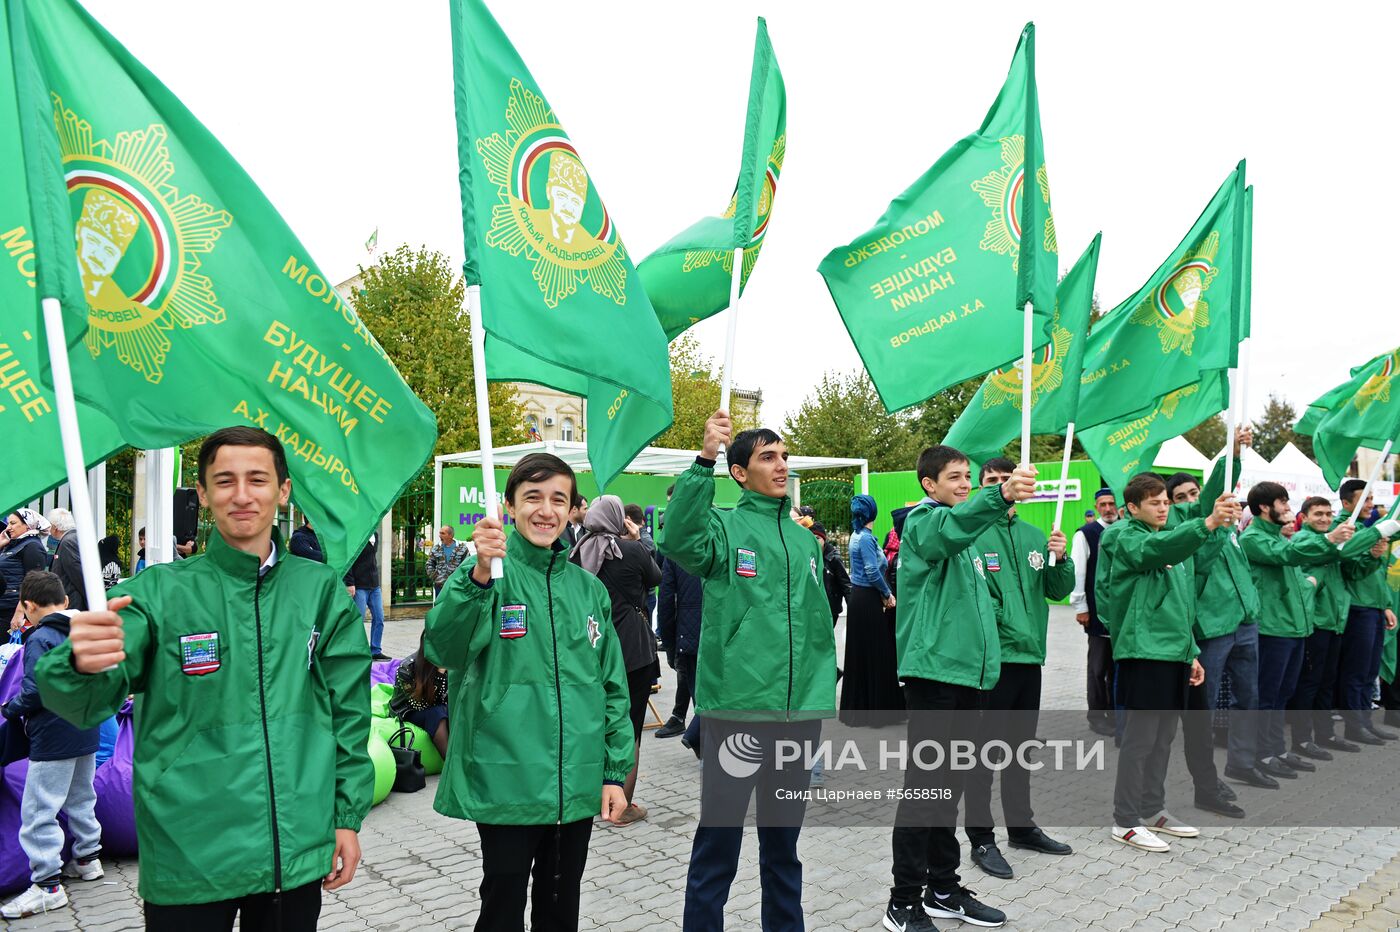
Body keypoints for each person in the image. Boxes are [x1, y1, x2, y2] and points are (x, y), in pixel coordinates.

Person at [36, 426, 372, 930]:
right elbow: (88, 701)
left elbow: (348, 714)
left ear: (283, 491)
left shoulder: (320, 590)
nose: (241, 494)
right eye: (225, 481)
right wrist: (79, 663)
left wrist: (346, 816)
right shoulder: (157, 593)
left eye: (257, 479)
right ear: (203, 494)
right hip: (189, 854)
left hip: (294, 848)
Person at [424, 452, 632, 932]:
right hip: (507, 782)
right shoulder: (486, 577)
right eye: (532, 497)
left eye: (558, 499)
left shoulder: (588, 590)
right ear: (509, 508)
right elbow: (444, 647)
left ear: (572, 509)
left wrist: (614, 771)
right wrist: (476, 575)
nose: (546, 510)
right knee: (502, 908)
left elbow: (612, 688)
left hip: (574, 783)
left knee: (561, 910)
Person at [660, 409, 836, 932]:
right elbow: (677, 538)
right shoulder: (723, 527)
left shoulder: (806, 541)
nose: (781, 465)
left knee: (783, 850)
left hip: (797, 717)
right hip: (736, 711)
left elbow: (815, 623)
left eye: (784, 456)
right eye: (767, 457)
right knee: (719, 846)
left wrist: (822, 686)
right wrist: (702, 461)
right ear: (739, 472)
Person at [883, 445, 1037, 932]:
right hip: (934, 676)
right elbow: (946, 533)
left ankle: (944, 890)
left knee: (946, 790)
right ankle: (902, 901)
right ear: (929, 484)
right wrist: (1000, 495)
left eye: (969, 476)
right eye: (955, 477)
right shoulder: (924, 523)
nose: (966, 484)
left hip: (971, 677)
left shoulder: (966, 534)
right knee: (925, 791)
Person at [1097, 472, 1237, 854]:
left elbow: (1182, 605)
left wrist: (1190, 650)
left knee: (1163, 739)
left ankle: (1153, 809)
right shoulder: (1122, 536)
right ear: (1132, 508)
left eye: (1166, 502)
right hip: (1143, 652)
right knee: (1140, 740)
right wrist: (1207, 522)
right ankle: (1125, 820)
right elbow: (1151, 552)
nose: (1163, 508)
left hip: (1173, 653)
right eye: (1155, 503)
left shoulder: (1172, 544)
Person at [962, 457, 1076, 880]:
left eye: (1005, 480)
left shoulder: (1034, 536)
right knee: (983, 756)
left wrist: (1060, 560)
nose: (999, 486)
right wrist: (1009, 622)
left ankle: (1022, 828)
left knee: (1019, 752)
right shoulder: (971, 533)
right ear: (982, 488)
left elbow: (1057, 591)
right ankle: (981, 838)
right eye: (991, 481)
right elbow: (976, 598)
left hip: (1030, 660)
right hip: (992, 661)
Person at [1240, 481, 1364, 782]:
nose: (1288, 508)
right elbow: (1288, 556)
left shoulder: (1280, 537)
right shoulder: (1254, 538)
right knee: (1267, 697)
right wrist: (1330, 539)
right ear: (1265, 507)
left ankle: (1278, 750)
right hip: (1273, 629)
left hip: (1294, 629)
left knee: (1283, 694)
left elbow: (1291, 558)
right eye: (1283, 502)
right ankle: (1262, 755)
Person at [0, 571, 103, 920]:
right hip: (87, 728)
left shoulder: (40, 638)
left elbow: (35, 690)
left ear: (29, 606)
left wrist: (9, 708)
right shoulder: (87, 629)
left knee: (38, 810)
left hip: (54, 735)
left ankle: (47, 886)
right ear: (66, 601)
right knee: (80, 796)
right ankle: (88, 859)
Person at [1162, 442, 1259, 812]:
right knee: (1201, 716)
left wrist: (1253, 607)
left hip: (1245, 622)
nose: (1190, 499)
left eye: (1193, 493)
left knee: (1248, 700)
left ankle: (1243, 763)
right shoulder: (1192, 528)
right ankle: (1208, 782)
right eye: (1180, 496)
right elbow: (1215, 498)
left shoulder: (1228, 529)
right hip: (1213, 629)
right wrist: (1231, 453)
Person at [573, 495, 661, 825]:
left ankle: (595, 795)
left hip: (590, 648)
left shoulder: (577, 551)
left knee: (597, 722)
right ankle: (622, 805)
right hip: (632, 650)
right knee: (630, 727)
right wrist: (639, 540)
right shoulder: (632, 550)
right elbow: (656, 579)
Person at [1284, 497, 1392, 759]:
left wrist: (1373, 557)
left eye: (1328, 513)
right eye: (1318, 514)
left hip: (1335, 622)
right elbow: (1339, 551)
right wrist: (1377, 531)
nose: (1324, 518)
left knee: (1327, 683)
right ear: (1305, 517)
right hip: (1315, 623)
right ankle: (1301, 739)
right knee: (1309, 683)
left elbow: (1353, 572)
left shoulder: (1330, 541)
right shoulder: (1304, 541)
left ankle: (1326, 734)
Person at [1334, 480, 1399, 744]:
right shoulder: (1346, 530)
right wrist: (1372, 556)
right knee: (1356, 670)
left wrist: (1384, 605)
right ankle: (1354, 725)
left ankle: (1364, 722)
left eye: (1371, 498)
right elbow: (1351, 569)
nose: (1370, 504)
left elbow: (1376, 577)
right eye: (1365, 499)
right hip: (1356, 609)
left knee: (1369, 669)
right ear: (1347, 503)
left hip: (1372, 607)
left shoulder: (1366, 528)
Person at [840, 494, 904, 727]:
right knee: (877, 653)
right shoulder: (865, 539)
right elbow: (872, 571)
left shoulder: (857, 536)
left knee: (861, 654)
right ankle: (878, 712)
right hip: (868, 599)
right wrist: (887, 594)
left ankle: (860, 709)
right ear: (873, 513)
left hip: (859, 599)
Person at [1070, 489, 1119, 736]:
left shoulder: (1125, 530)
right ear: (1096, 506)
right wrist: (1080, 606)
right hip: (1097, 612)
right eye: (1103, 504)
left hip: (1121, 614)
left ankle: (1115, 713)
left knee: (1117, 669)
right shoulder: (1086, 534)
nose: (1109, 508)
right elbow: (1078, 571)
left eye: (1112, 503)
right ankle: (1097, 717)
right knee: (1098, 669)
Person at [656, 489, 704, 740]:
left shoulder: (674, 548)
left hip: (692, 638)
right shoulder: (730, 541)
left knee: (704, 701)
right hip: (724, 638)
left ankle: (701, 743)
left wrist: (672, 646)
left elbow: (665, 603)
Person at [389, 632, 449, 757]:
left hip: (437, 706)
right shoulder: (407, 667)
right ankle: (450, 763)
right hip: (409, 710)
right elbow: (419, 705)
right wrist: (440, 674)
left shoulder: (450, 663)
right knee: (437, 713)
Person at [2, 510, 52, 629]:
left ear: (27, 525)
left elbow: (34, 583)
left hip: (11, 611)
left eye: (13, 523)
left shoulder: (32, 546)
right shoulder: (12, 545)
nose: (8, 527)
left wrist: (20, 612)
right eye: (8, 523)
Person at [344, 535, 388, 661]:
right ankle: (356, 650)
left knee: (379, 618)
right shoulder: (357, 535)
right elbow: (349, 560)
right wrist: (350, 582)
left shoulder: (376, 535)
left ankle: (375, 650)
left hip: (374, 586)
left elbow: (372, 559)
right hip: (359, 586)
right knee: (358, 620)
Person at [47, 508, 89, 612]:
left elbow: (78, 574)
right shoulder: (75, 537)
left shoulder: (67, 542)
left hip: (73, 603)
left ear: (55, 527)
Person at [623, 503, 658, 622]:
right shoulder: (644, 538)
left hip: (645, 596)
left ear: (628, 519)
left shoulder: (644, 541)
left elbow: (648, 571)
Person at [811, 522, 851, 627]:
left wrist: (852, 608)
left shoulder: (834, 558)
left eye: (817, 538)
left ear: (824, 539)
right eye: (811, 538)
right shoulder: (809, 557)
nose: (814, 541)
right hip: (813, 607)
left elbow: (846, 584)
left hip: (831, 607)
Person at [426, 525, 470, 595]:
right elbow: (429, 564)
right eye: (440, 533)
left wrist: (462, 580)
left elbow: (467, 565)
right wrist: (434, 577)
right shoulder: (436, 548)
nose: (440, 535)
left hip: (457, 585)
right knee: (441, 605)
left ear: (450, 535)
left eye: (443, 533)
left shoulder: (462, 548)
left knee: (455, 606)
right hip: (440, 586)